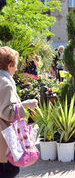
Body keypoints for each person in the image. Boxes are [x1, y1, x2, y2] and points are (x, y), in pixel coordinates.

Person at [0, 46, 38, 177]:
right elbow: (7, 112)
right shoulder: (5, 83)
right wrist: (25, 105)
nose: (16, 69)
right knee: (9, 171)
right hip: (4, 138)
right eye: (15, 65)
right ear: (9, 65)